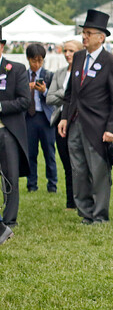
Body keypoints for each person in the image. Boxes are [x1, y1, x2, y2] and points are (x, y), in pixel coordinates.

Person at [57, 11, 113, 224]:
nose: (84, 37)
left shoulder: (111, 62)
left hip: (97, 126)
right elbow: (70, 93)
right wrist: (65, 117)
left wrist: (112, 129)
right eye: (83, 32)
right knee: (78, 170)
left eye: (88, 33)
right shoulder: (78, 57)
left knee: (98, 172)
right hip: (75, 123)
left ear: (101, 37)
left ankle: (99, 215)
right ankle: (85, 212)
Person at [46, 39, 83, 210]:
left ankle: (84, 199)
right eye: (65, 51)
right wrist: (68, 92)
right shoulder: (59, 73)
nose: (68, 54)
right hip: (60, 118)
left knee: (80, 163)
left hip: (79, 119)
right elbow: (49, 97)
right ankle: (71, 202)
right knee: (67, 163)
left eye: (71, 51)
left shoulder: (84, 72)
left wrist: (66, 94)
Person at [0, 26, 31, 229]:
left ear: (1, 46)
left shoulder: (16, 69)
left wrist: (1, 106)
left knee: (10, 175)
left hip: (6, 130)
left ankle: (10, 219)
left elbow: (24, 101)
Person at [24, 43, 57, 193]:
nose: (37, 64)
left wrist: (44, 91)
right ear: (28, 59)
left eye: (40, 61)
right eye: (34, 61)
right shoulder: (22, 76)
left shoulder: (49, 75)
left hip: (45, 118)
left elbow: (55, 98)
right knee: (31, 153)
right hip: (29, 118)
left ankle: (52, 185)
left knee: (49, 153)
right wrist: (27, 88)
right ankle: (32, 184)